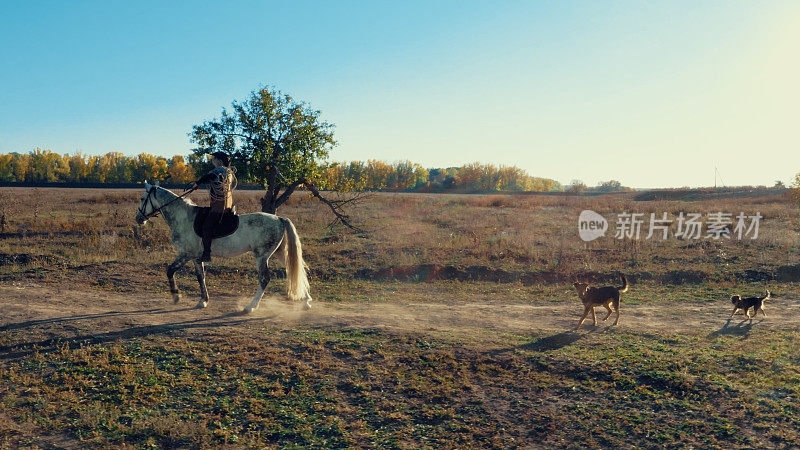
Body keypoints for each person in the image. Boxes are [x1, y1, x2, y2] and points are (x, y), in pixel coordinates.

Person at [187, 151, 236, 262]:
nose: (212, 161)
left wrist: (197, 183)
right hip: (226, 205)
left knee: (206, 227)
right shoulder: (229, 172)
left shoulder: (220, 170)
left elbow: (209, 176)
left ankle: (206, 254)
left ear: (218, 160)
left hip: (219, 207)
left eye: (214, 159)